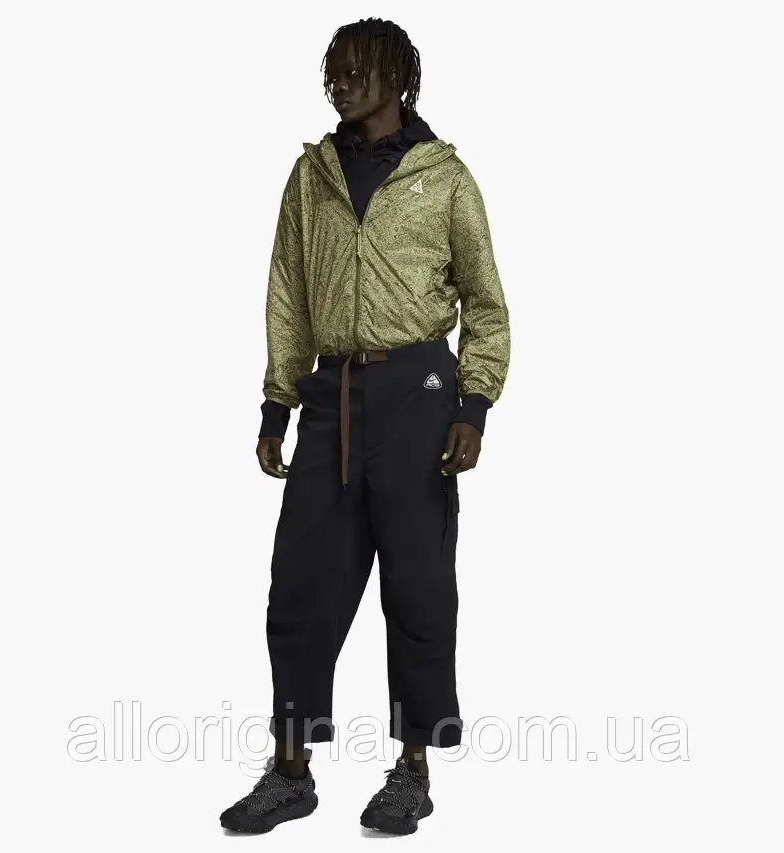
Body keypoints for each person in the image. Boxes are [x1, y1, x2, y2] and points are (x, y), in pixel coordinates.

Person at [220, 16, 510, 836]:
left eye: (355, 70)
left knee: (417, 586)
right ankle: (291, 772)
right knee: (299, 587)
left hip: (419, 393)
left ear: (398, 78)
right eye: (333, 70)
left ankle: (412, 769)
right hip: (330, 397)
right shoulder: (310, 176)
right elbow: (287, 293)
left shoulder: (444, 178)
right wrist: (277, 403)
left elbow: (486, 302)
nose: (339, 82)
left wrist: (474, 406)